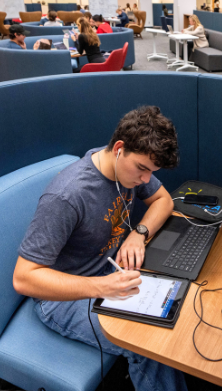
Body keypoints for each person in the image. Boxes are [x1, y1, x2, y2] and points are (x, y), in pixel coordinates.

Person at [13, 106, 187, 391]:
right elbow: (24, 278)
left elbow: (163, 200)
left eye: (151, 172)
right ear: (119, 148)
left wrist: (138, 234)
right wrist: (102, 287)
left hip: (108, 272)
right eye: (143, 169)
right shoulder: (67, 196)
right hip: (61, 297)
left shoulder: (124, 168)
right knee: (148, 346)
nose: (146, 180)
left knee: (178, 300)